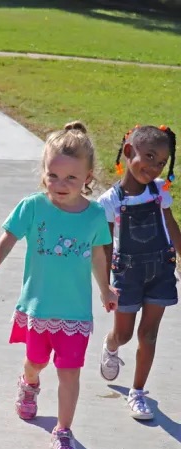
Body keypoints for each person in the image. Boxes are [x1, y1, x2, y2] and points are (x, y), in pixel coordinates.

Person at [0, 122, 118, 449]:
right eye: (53, 176)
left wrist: (106, 289)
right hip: (38, 308)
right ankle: (28, 382)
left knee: (70, 371)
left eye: (71, 179)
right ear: (43, 172)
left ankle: (63, 430)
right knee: (37, 362)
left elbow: (97, 255)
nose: (61, 186)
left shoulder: (94, 216)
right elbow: (4, 246)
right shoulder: (32, 207)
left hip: (75, 312)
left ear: (88, 177)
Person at [98, 125, 180, 420]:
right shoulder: (110, 201)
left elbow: (171, 226)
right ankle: (110, 344)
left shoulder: (160, 193)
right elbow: (105, 245)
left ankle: (137, 392)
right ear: (129, 152)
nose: (154, 166)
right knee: (125, 333)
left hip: (161, 270)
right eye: (149, 157)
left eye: (161, 162)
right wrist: (105, 285)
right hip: (127, 275)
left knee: (149, 334)